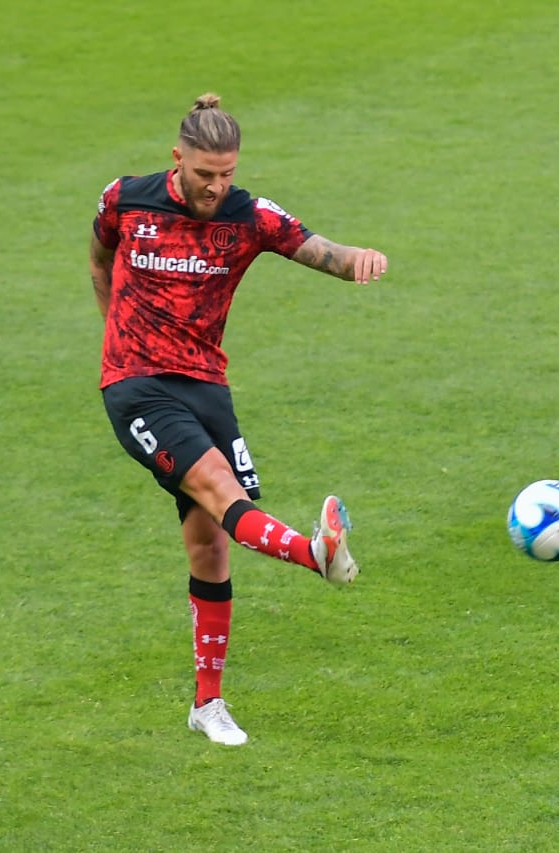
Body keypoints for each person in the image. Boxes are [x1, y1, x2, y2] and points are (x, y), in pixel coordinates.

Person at [90, 93, 389, 745]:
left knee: (210, 544)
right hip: (138, 387)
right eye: (204, 174)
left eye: (226, 173)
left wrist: (356, 259)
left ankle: (207, 704)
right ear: (179, 158)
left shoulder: (247, 216)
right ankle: (316, 554)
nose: (215, 186)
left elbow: (316, 247)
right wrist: (115, 339)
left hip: (206, 384)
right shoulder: (127, 200)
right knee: (218, 490)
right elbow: (100, 254)